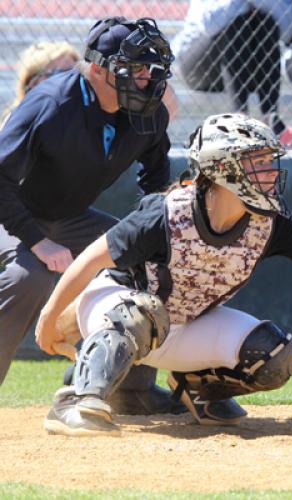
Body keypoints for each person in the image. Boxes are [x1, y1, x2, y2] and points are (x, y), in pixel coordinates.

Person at [34, 113, 292, 437]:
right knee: (143, 313)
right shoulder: (167, 215)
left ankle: (196, 385)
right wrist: (49, 320)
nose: (271, 172)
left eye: (269, 162)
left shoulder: (268, 221)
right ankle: (79, 400)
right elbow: (87, 262)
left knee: (275, 355)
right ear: (223, 168)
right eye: (259, 162)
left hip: (184, 325)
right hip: (117, 305)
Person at [0, 16, 184, 416]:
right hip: (11, 214)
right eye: (133, 69)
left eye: (150, 69)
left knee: (145, 262)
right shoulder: (51, 104)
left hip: (69, 215)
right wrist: (36, 238)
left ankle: (127, 389)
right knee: (28, 277)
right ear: (98, 70)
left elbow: (155, 174)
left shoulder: (147, 111)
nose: (146, 80)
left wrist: (146, 231)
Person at [172, 0, 292, 144]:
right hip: (201, 67)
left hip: (249, 72)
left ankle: (270, 116)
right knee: (238, 23)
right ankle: (239, 117)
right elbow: (208, 25)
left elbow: (289, 29)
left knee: (266, 21)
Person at [0, 41, 80, 128]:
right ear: (33, 83)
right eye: (59, 74)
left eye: (74, 74)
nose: (70, 81)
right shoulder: (16, 125)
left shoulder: (84, 122)